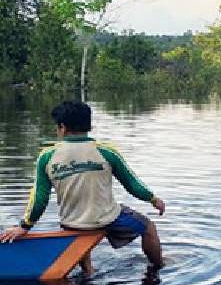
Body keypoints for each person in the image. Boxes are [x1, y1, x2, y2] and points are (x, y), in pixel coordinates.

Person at [0, 100, 166, 269]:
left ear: (63, 128)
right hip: (109, 219)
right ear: (88, 125)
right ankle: (158, 268)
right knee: (148, 228)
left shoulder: (47, 156)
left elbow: (39, 199)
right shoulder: (106, 152)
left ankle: (87, 276)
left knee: (81, 251)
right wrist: (153, 199)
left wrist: (24, 226)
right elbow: (131, 184)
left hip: (73, 224)